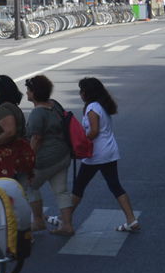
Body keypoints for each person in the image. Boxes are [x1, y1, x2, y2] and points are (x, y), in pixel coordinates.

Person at [61, 77, 139, 235]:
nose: (80, 94)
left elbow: (94, 131)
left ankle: (65, 220)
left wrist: (80, 141)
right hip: (109, 151)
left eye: (82, 91)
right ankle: (131, 220)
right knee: (115, 186)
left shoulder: (92, 108)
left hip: (96, 154)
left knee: (79, 187)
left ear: (87, 93)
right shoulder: (102, 105)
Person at [24, 75, 73, 235]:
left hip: (46, 160)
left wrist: (29, 161)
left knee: (29, 186)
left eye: (29, 90)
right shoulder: (54, 104)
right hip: (63, 155)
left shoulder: (37, 113)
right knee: (61, 191)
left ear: (35, 93)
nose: (27, 93)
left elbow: (36, 138)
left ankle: (38, 221)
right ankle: (67, 225)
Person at [0, 75, 32, 185]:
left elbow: (10, 132)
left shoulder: (4, 109)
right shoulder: (12, 107)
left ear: (0, 92)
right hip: (15, 157)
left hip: (5, 160)